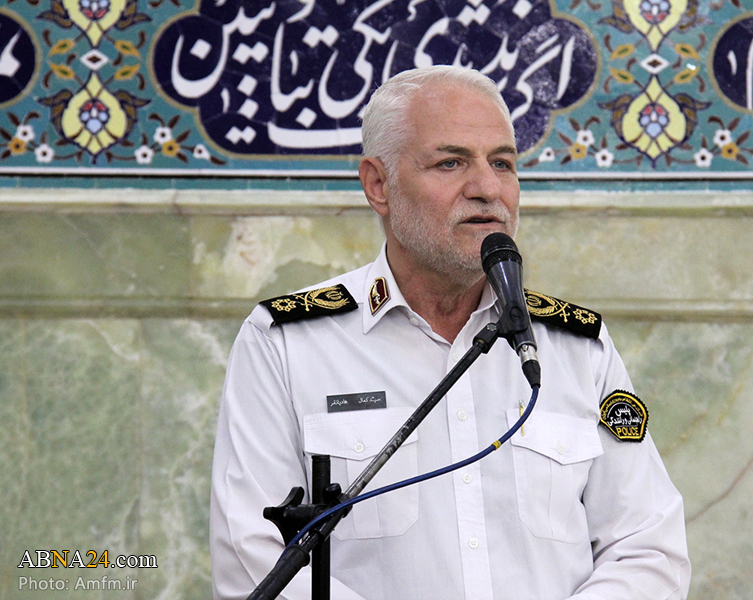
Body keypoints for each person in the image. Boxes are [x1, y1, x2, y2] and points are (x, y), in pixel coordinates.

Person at [210, 65, 690, 600]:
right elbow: (252, 560)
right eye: (451, 162)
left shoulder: (576, 347)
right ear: (378, 185)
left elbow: (647, 548)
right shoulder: (288, 343)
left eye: (502, 163)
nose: (487, 189)